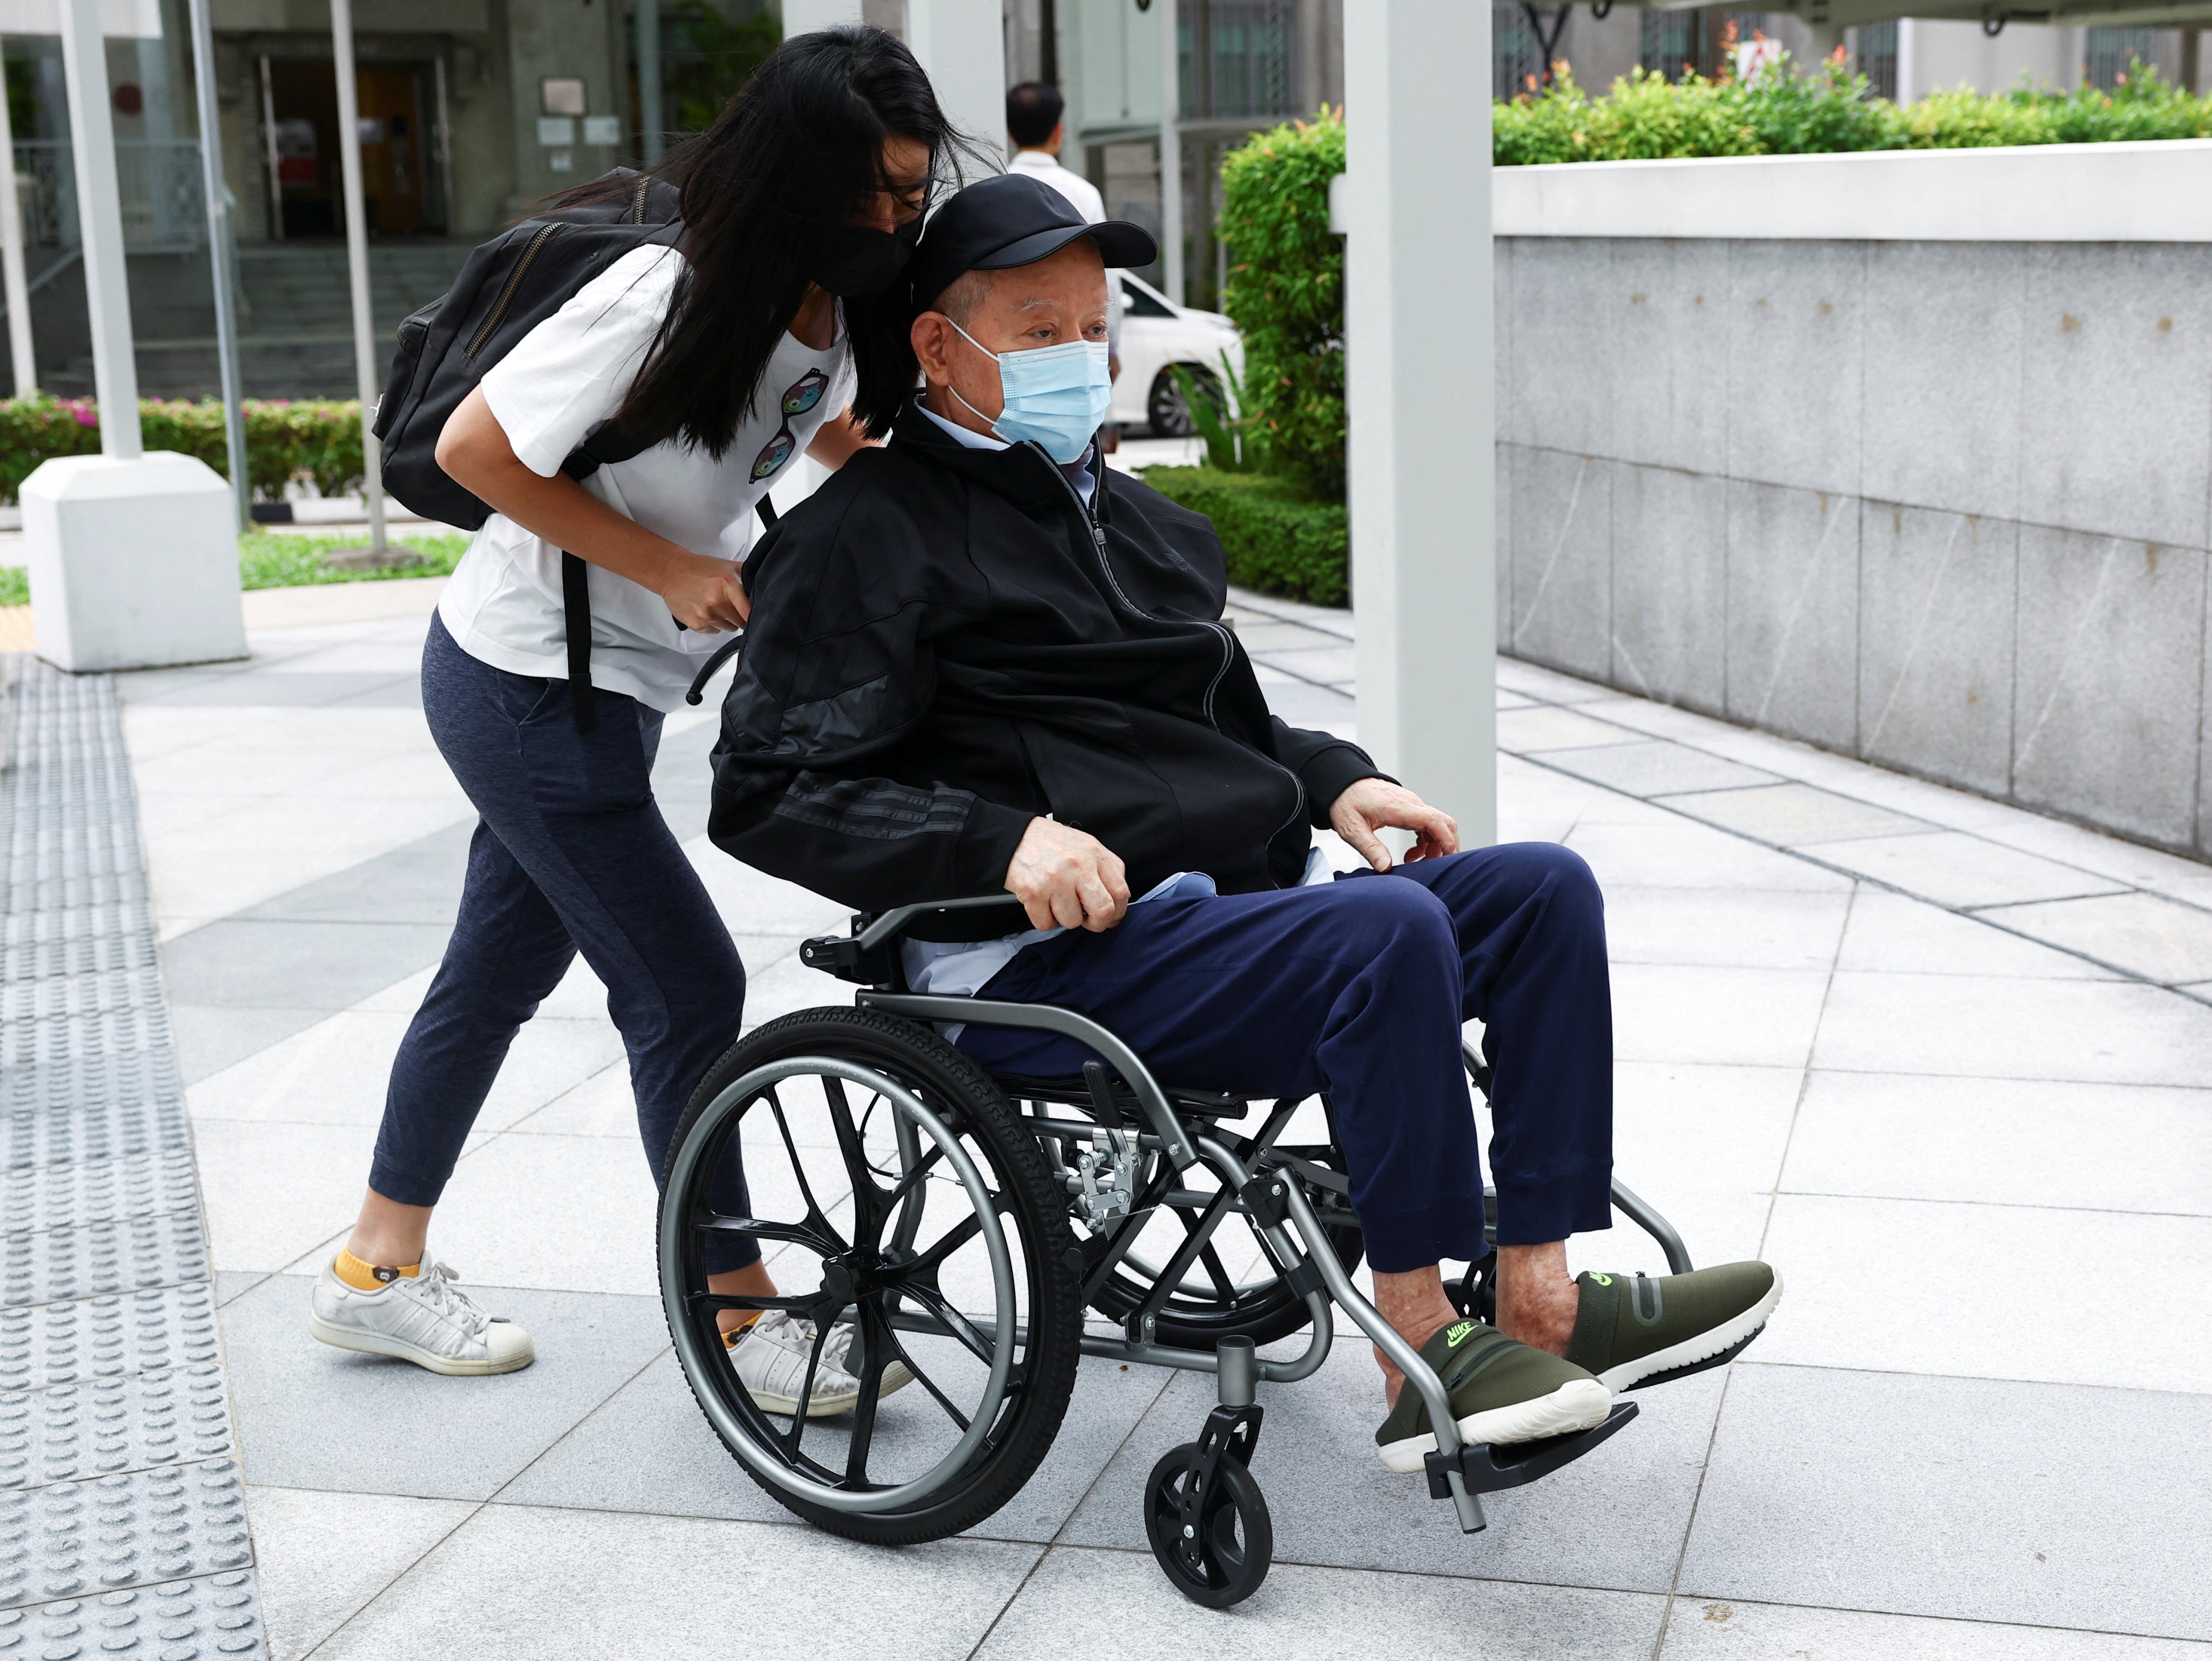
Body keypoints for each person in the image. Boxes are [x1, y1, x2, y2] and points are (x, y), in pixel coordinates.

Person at [705, 173, 1784, 1469]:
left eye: (1091, 330)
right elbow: (765, 787)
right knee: (1383, 932)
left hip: (1213, 917)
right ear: (940, 347)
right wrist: (996, 840)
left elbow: (1228, 716)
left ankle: (1541, 1292)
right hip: (1046, 949)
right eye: (1039, 331)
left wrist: (1335, 775)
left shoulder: (1139, 522)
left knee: (1540, 888)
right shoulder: (865, 537)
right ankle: (1421, 1341)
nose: (1080, 359)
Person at [307, 25, 960, 1417]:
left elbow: (806, 418)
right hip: (522, 682)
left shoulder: (831, 301)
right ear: (791, 180)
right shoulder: (665, 294)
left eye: (908, 193)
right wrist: (667, 565)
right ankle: (739, 1319)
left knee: (489, 976)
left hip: (607, 700)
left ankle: (374, 1269)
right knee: (683, 985)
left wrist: (871, 456)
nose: (892, 220)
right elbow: (481, 451)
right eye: (869, 196)